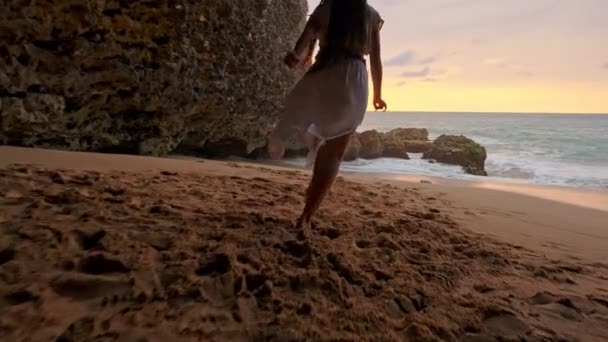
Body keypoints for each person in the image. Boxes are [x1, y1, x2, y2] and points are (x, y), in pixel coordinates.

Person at [268, 0, 387, 236]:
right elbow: (375, 60)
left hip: (324, 72)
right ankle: (306, 216)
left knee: (299, 105)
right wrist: (377, 94)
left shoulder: (326, 8)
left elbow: (304, 41)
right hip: (354, 79)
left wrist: (296, 55)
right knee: (335, 152)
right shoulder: (371, 15)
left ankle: (288, 134)